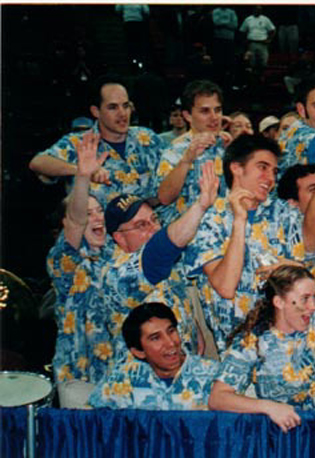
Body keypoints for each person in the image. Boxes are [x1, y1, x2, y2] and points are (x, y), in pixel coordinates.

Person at [208, 192, 315, 430]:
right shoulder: (253, 340)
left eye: (314, 297)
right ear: (279, 302)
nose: (313, 305)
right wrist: (268, 407)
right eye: (304, 299)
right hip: (285, 439)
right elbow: (218, 397)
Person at [185, 133, 315, 354]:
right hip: (242, 351)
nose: (270, 178)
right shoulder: (210, 219)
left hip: (300, 345)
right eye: (262, 167)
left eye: (274, 171)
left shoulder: (284, 213)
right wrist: (240, 221)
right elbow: (225, 287)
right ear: (236, 168)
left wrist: (292, 268)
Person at [102, 160, 219, 363]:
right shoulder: (117, 274)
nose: (153, 228)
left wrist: (193, 329)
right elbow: (161, 248)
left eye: (154, 219)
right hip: (145, 381)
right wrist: (200, 206)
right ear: (119, 238)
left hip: (182, 366)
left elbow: (177, 295)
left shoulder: (167, 262)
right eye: (140, 225)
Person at [46, 132, 114, 408]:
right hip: (77, 372)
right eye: (88, 213)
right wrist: (83, 177)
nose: (96, 217)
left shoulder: (117, 255)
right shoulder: (65, 262)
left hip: (116, 373)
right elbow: (76, 220)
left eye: (99, 211)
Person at [29, 76, 165, 206]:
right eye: (113, 107)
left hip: (148, 226)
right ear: (96, 112)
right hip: (98, 228)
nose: (122, 113)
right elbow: (38, 162)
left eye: (126, 106)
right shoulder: (79, 143)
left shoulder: (147, 138)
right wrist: (81, 171)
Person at [89, 303, 219, 410]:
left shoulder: (214, 375)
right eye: (156, 338)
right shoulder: (121, 379)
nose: (171, 342)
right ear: (139, 352)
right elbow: (90, 425)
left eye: (171, 331)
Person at [156, 80, 230, 225]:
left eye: (218, 110)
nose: (214, 117)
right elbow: (164, 198)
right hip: (185, 234)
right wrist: (186, 160)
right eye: (205, 111)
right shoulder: (175, 151)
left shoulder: (227, 146)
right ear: (188, 116)